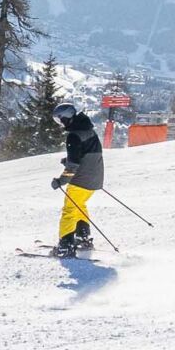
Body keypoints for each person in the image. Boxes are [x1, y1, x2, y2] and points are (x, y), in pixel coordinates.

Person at [48, 101, 104, 255]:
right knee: (80, 205)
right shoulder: (89, 131)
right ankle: (83, 237)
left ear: (66, 118)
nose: (59, 124)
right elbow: (88, 155)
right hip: (96, 179)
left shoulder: (74, 136)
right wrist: (69, 161)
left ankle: (65, 245)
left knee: (69, 209)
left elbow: (73, 165)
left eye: (59, 120)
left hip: (81, 181)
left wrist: (61, 181)